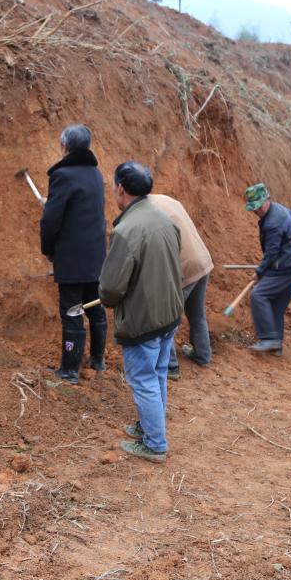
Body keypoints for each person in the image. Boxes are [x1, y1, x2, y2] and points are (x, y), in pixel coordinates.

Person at [99, 162, 183, 463]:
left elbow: (110, 288)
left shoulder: (126, 230)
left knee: (144, 379)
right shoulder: (163, 218)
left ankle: (155, 444)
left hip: (143, 318)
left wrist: (107, 296)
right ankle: (150, 426)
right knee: (157, 373)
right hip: (168, 312)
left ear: (120, 188)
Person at [40, 124, 107, 384]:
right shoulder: (96, 174)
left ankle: (70, 369)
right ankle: (98, 360)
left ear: (64, 146)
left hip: (72, 259)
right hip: (96, 257)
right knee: (95, 308)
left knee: (72, 313)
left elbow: (51, 221)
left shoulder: (62, 176)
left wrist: (48, 249)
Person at [147, 194, 214, 376]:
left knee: (166, 317)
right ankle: (203, 355)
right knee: (196, 313)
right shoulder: (166, 200)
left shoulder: (147, 212)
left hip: (184, 266)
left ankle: (170, 366)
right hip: (202, 260)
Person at [244, 183, 291, 354]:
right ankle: (276, 345)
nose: (257, 211)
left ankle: (268, 339)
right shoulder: (280, 210)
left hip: (284, 267)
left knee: (258, 295)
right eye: (254, 208)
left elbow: (271, 253)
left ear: (268, 199)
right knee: (276, 305)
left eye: (259, 206)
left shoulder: (273, 223)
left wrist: (259, 272)